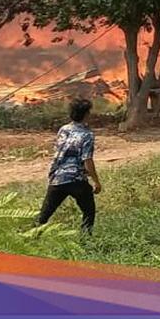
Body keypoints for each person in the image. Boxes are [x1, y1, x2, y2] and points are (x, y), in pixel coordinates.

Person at [37, 98, 102, 233]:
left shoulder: (63, 129)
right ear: (86, 114)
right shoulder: (87, 134)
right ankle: (85, 240)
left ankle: (28, 238)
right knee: (89, 211)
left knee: (44, 216)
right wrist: (96, 182)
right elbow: (87, 160)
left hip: (57, 178)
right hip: (76, 179)